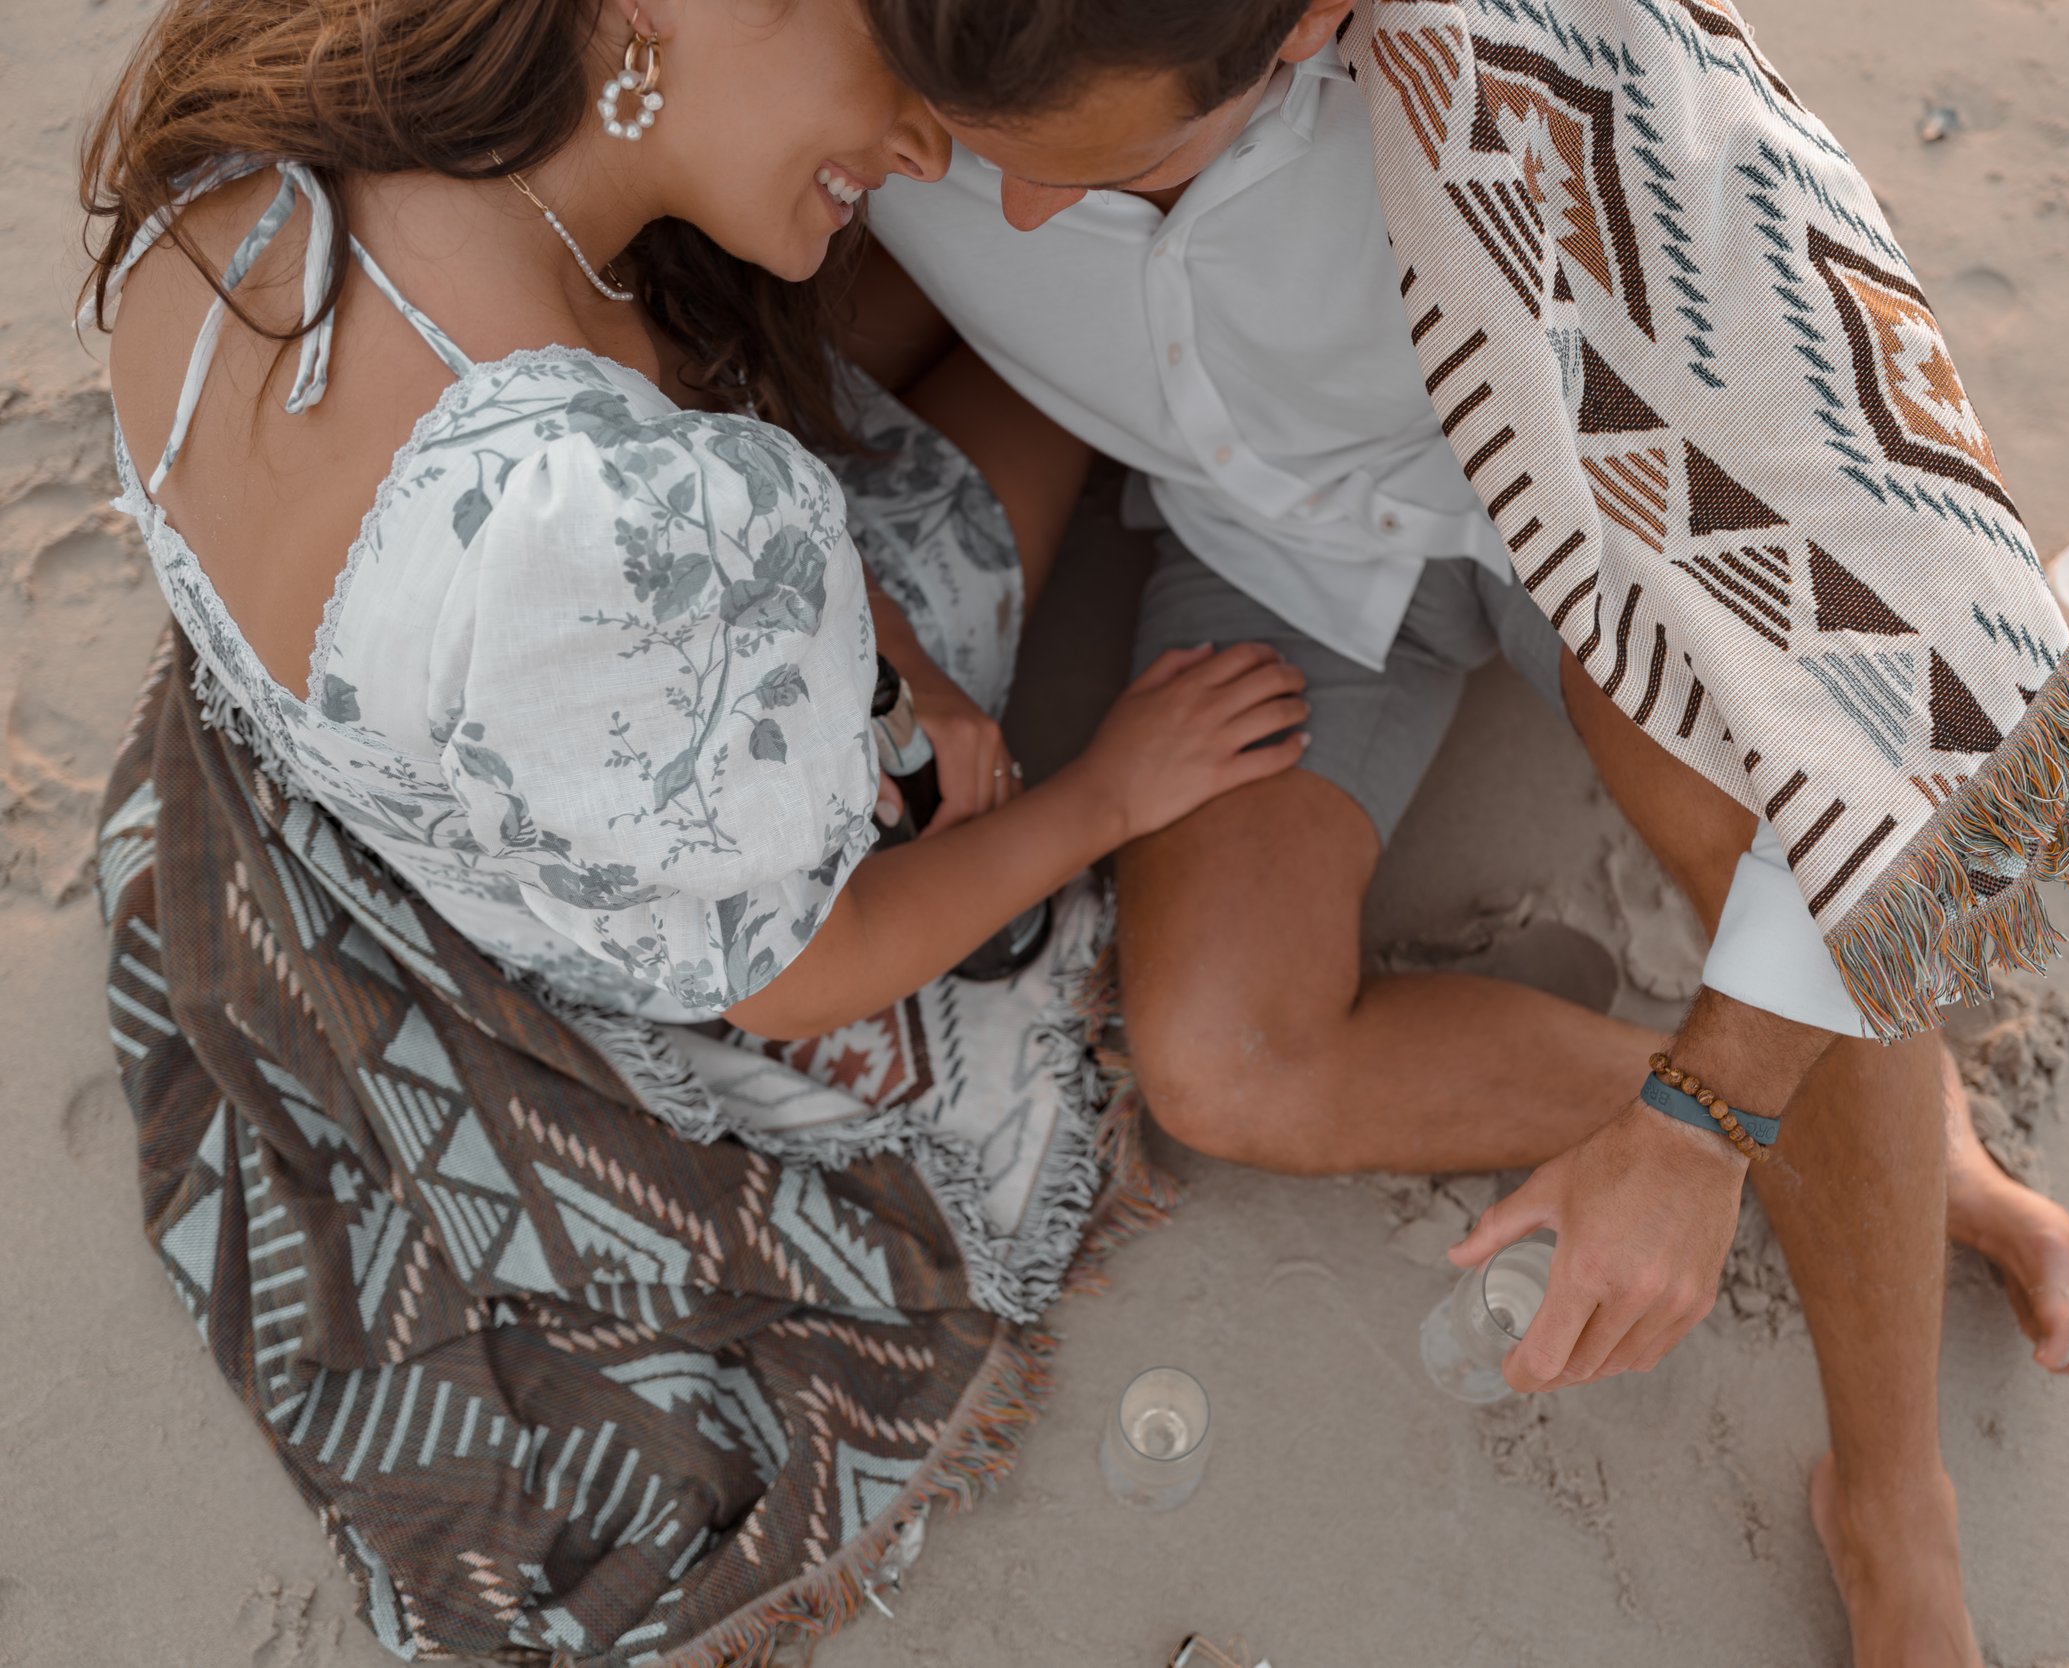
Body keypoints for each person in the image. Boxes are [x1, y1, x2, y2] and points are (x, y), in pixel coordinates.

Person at [858, 0, 2069, 1659]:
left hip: (1577, 516)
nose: (1012, 214)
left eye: (1115, 170)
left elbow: (1963, 717)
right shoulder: (890, 42)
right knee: (1223, 1059)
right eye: (970, 161)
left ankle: (1890, 1501)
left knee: (1803, 832)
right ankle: (1866, 1146)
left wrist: (1702, 1126)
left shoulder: (1581, 83)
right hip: (1261, 555)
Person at [81, 0, 1307, 1659]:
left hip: (439, 706)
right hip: (615, 782)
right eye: (900, 43)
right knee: (1059, 403)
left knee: (934, 358)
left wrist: (856, 636)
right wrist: (1109, 793)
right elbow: (807, 979)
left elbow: (629, 522)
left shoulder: (273, 128)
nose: (939, 139)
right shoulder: (642, 541)